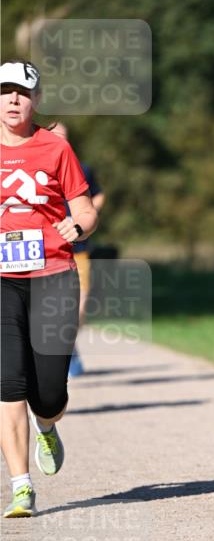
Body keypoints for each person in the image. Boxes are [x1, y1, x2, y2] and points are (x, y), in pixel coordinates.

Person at [1, 61, 97, 517]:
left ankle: (47, 425)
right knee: (7, 383)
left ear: (36, 100)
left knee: (50, 393)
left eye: (22, 92)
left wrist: (76, 226)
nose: (13, 99)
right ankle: (20, 486)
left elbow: (85, 207)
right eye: (5, 91)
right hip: (2, 282)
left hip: (53, 275)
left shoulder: (54, 148)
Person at [47, 123, 106, 377]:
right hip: (47, 252)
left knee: (78, 308)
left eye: (64, 137)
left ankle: (68, 348)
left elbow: (99, 196)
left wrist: (84, 217)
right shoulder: (34, 167)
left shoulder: (82, 168)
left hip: (78, 249)